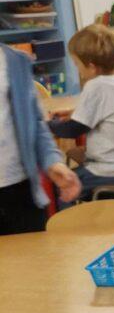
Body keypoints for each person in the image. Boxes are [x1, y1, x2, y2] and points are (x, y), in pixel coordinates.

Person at [48, 24, 114, 203]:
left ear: (91, 67)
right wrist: (73, 115)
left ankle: (73, 220)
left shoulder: (96, 86)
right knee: (84, 174)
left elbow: (73, 130)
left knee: (62, 185)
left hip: (111, 170)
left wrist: (49, 124)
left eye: (77, 64)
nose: (77, 69)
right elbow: (107, 112)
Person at [0, 46, 81, 234]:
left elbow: (35, 124)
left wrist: (52, 162)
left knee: (34, 251)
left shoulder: (15, 61)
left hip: (21, 191)